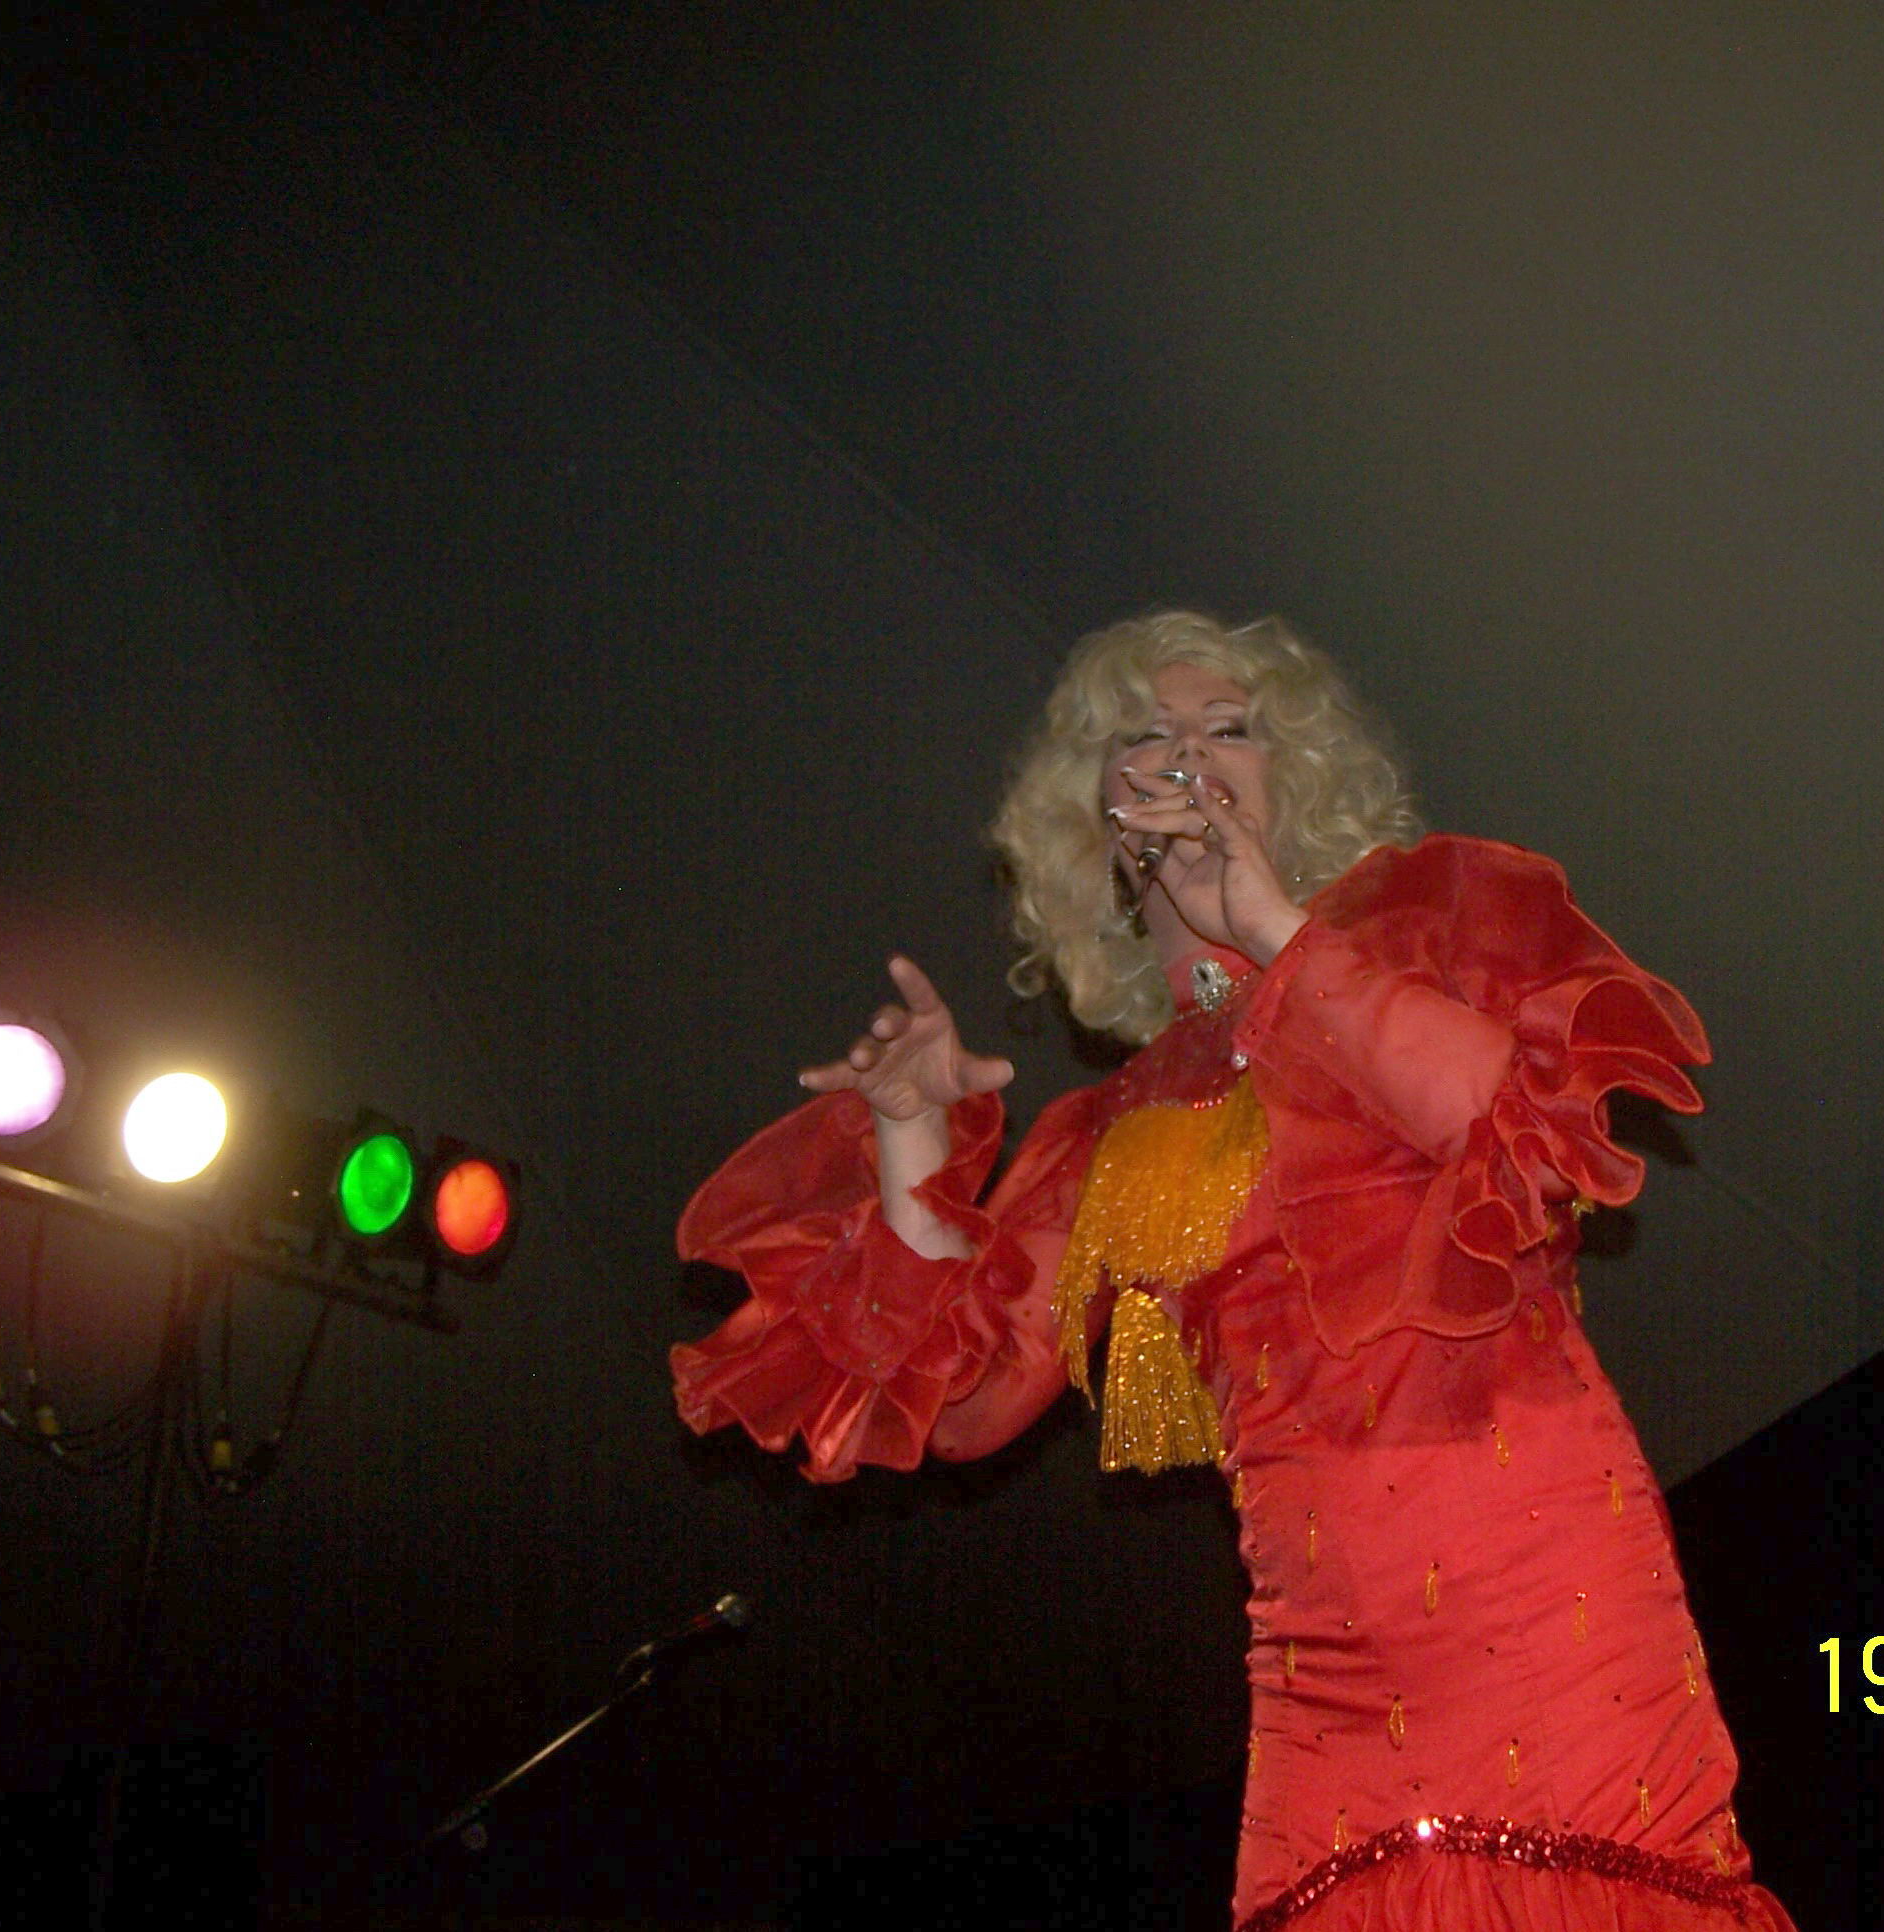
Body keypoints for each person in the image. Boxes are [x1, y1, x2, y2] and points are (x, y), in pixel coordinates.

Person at [671, 612, 1795, 1930]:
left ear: (1291, 778)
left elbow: (1524, 1138)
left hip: (1543, 1600)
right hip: (1319, 1685)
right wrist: (913, 1144)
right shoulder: (1104, 1131)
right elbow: (962, 1403)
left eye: (1229, 728)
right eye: (1145, 735)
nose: (1188, 753)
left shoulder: (1415, 942)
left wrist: (1269, 932)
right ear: (1095, 815)